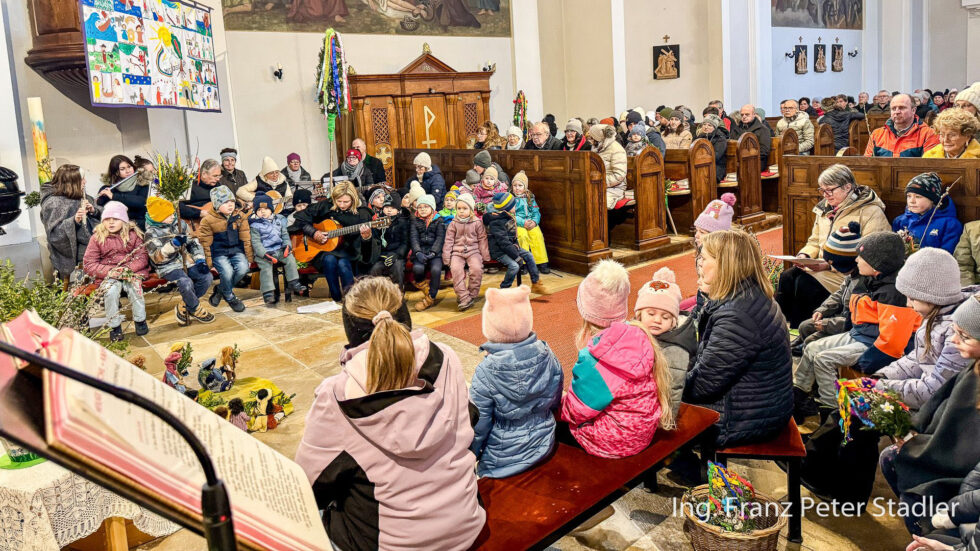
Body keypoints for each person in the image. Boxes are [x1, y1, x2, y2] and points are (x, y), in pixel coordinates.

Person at [294, 277, 485, 551]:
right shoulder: (447, 358)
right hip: (464, 523)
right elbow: (470, 422)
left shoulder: (336, 395)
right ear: (404, 317)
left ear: (350, 328)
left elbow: (309, 488)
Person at [878, 294, 980, 538]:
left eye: (964, 336)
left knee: (910, 482)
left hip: (964, 471)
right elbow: (940, 402)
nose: (954, 340)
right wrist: (914, 428)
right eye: (955, 332)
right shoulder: (973, 366)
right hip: (948, 450)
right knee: (892, 457)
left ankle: (925, 534)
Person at [683, 229, 793, 447]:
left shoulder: (737, 315)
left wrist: (663, 385)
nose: (699, 265)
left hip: (741, 419)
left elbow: (702, 387)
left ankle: (686, 469)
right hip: (758, 406)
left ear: (725, 265)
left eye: (703, 259)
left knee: (648, 410)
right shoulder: (747, 294)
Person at [794, 231, 917, 418]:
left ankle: (833, 410)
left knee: (823, 359)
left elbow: (893, 342)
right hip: (859, 333)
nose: (857, 260)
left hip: (872, 344)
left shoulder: (893, 293)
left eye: (862, 256)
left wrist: (864, 363)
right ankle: (798, 395)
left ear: (877, 265)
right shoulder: (868, 279)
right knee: (811, 348)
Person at [561, 259, 674, 458]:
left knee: (554, 427)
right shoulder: (640, 335)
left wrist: (561, 400)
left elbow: (577, 411)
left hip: (615, 442)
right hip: (642, 433)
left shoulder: (594, 358)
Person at [776, 164, 890, 327]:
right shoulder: (824, 209)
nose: (825, 195)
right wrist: (805, 256)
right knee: (787, 277)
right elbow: (815, 240)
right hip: (822, 265)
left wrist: (829, 266)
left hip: (849, 272)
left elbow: (871, 252)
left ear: (848, 187)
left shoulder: (870, 211)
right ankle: (781, 326)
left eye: (830, 190)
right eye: (822, 190)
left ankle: (803, 328)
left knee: (805, 283)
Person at [470, 284, 563, 477]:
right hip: (545, 441)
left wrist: (472, 454)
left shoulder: (485, 372)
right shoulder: (548, 355)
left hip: (502, 459)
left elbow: (479, 425)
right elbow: (555, 400)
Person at [874, 248, 975, 409]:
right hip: (925, 397)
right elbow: (919, 356)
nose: (908, 304)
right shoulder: (936, 314)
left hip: (942, 410)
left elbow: (934, 390)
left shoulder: (958, 332)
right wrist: (884, 375)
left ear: (933, 296)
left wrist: (879, 387)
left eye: (912, 298)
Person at [293, 181, 376, 302]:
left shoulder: (362, 214)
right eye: (339, 201)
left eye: (346, 202)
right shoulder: (327, 205)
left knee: (343, 264)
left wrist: (366, 237)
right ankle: (336, 298)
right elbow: (300, 218)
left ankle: (351, 300)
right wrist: (314, 233)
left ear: (353, 199)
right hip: (326, 249)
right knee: (329, 260)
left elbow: (368, 248)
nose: (342, 205)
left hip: (350, 251)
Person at [81, 201, 150, 341]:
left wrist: (128, 269)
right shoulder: (97, 238)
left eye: (115, 219)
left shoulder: (133, 235)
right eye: (107, 219)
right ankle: (115, 326)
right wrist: (111, 271)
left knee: (135, 288)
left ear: (124, 220)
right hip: (108, 274)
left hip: (131, 272)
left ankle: (140, 320)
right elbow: (89, 264)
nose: (111, 223)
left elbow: (142, 257)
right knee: (110, 292)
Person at [633, 267, 696, 420]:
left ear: (674, 321)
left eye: (665, 317)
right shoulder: (634, 331)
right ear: (639, 314)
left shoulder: (676, 349)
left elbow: (673, 389)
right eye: (651, 314)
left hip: (665, 407)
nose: (657, 320)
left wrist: (666, 422)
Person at [144, 196, 215, 325]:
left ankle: (184, 305)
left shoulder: (180, 224)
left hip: (186, 260)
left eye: (172, 213)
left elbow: (193, 243)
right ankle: (195, 308)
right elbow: (157, 257)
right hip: (167, 267)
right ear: (158, 217)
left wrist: (199, 259)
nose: (173, 217)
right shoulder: (151, 233)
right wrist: (173, 244)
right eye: (168, 215)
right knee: (185, 282)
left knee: (206, 277)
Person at [197, 185, 253, 313]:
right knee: (227, 272)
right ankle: (229, 296)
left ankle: (221, 289)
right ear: (217, 205)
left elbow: (246, 238)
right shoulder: (207, 221)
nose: (230, 205)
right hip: (219, 253)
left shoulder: (240, 216)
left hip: (236, 250)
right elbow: (206, 243)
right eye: (225, 202)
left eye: (232, 201)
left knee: (243, 268)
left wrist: (249, 258)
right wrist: (210, 264)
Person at [40, 164, 101, 280]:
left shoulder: (82, 196)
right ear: (72, 182)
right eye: (82, 179)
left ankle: (111, 288)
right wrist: (74, 221)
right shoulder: (53, 203)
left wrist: (94, 210)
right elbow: (54, 234)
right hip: (72, 247)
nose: (85, 181)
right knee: (98, 251)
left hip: (90, 238)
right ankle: (86, 290)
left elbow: (101, 214)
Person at [686, 193, 737, 324]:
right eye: (696, 231)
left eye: (702, 232)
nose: (696, 236)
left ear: (717, 237)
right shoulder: (700, 250)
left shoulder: (727, 257)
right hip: (703, 296)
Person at [249, 192, 306, 306]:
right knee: (265, 267)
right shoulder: (254, 225)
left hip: (279, 249)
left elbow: (285, 235)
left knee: (290, 259)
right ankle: (268, 293)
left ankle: (293, 282)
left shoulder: (279, 220)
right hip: (265, 253)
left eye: (265, 209)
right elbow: (256, 243)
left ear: (271, 209)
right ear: (256, 212)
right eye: (259, 210)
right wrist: (264, 254)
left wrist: (287, 246)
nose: (263, 212)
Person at [484, 192, 545, 294]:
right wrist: (516, 257)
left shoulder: (508, 216)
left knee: (529, 255)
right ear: (507, 208)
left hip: (510, 247)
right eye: (514, 205)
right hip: (500, 251)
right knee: (514, 266)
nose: (516, 206)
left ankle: (536, 283)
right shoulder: (497, 221)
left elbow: (513, 235)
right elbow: (503, 243)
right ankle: (503, 289)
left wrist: (516, 244)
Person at [892, 172, 963, 254]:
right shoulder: (900, 221)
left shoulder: (949, 224)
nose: (912, 201)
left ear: (933, 199)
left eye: (918, 197)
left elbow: (947, 255)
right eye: (909, 196)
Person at [442, 193, 488, 311]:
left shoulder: (477, 223)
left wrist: (485, 255)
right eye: (459, 208)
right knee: (456, 271)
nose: (461, 211)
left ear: (471, 209)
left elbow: (482, 239)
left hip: (473, 251)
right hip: (457, 252)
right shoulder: (453, 223)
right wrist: (446, 257)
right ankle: (463, 297)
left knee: (476, 269)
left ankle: (472, 295)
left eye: (465, 208)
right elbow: (448, 241)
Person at [865, 94, 940, 157]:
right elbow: (867, 164)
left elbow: (929, 167)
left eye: (902, 108)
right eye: (893, 108)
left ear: (913, 110)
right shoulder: (877, 134)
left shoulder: (928, 134)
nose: (897, 112)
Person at [409, 194, 446, 311]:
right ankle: (424, 286)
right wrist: (418, 252)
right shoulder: (414, 220)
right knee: (417, 269)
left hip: (435, 253)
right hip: (420, 252)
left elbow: (440, 238)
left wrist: (433, 252)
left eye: (426, 206)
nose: (423, 209)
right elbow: (413, 238)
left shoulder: (438, 220)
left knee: (436, 270)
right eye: (420, 207)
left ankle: (431, 296)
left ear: (432, 208)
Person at [368, 191, 410, 290]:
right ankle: (377, 295)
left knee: (398, 269)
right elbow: (376, 241)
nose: (389, 211)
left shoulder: (403, 222)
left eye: (392, 208)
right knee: (375, 270)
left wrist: (397, 255)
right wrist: (379, 255)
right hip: (382, 256)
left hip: (397, 256)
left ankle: (399, 294)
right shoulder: (379, 222)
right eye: (386, 208)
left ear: (398, 210)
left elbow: (405, 243)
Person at [96, 154, 149, 230]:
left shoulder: (143, 183)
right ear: (116, 172)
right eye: (122, 169)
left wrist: (114, 197)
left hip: (139, 226)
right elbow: (102, 207)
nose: (128, 171)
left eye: (129, 166)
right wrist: (100, 199)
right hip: (117, 229)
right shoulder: (109, 188)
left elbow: (141, 201)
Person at [511, 171, 549, 274]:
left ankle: (541, 262)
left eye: (520, 185)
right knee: (522, 237)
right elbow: (511, 215)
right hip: (518, 224)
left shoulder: (530, 198)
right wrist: (522, 222)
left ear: (525, 187)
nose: (517, 188)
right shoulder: (511, 199)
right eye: (515, 185)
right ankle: (523, 263)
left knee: (537, 235)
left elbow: (536, 212)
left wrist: (534, 222)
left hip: (530, 223)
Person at [587, 124, 628, 209]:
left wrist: (600, 182)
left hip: (615, 187)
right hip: (597, 184)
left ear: (598, 138)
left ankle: (599, 222)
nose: (590, 141)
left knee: (596, 200)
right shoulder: (597, 148)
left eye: (592, 138)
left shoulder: (617, 150)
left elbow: (619, 175)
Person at [698, 114, 729, 183]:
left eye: (709, 125)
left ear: (715, 127)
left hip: (716, 168)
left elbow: (716, 156)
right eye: (704, 124)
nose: (706, 127)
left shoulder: (720, 138)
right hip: (700, 166)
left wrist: (699, 158)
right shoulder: (699, 137)